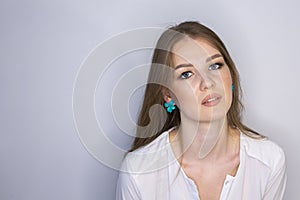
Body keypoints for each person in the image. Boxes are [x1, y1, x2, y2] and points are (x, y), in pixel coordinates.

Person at [116, 21, 287, 200]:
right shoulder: (138, 172)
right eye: (186, 74)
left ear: (231, 76)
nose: (208, 83)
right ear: (168, 94)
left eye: (215, 66)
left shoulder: (270, 161)